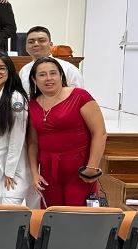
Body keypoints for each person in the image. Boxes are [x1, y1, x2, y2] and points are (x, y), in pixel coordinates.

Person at [27, 57, 107, 207]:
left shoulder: (80, 96)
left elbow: (99, 133)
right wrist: (34, 173)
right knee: (52, 214)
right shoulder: (32, 104)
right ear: (34, 79)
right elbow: (32, 142)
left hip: (79, 171)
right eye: (42, 74)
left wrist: (92, 167)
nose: (48, 78)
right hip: (49, 172)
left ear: (61, 75)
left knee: (77, 214)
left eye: (53, 73)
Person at [0, 53, 31, 205]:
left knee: (8, 208)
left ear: (9, 71)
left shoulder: (16, 98)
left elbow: (18, 137)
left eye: (1, 68)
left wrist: (10, 171)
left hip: (12, 166)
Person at [18, 26, 84, 95]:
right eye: (31, 42)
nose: (36, 44)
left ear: (51, 45)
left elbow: (79, 97)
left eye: (41, 40)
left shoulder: (69, 69)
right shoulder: (24, 70)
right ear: (26, 46)